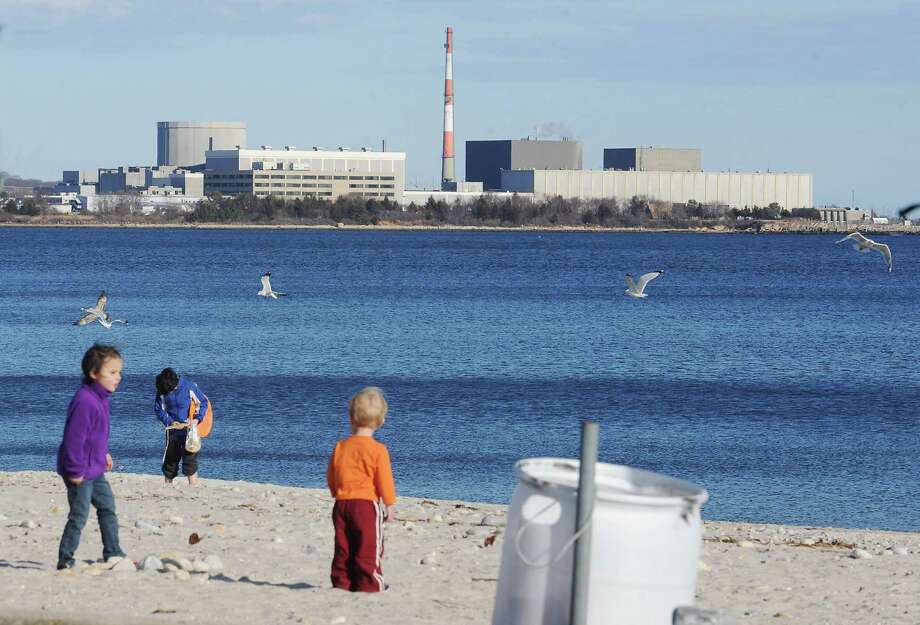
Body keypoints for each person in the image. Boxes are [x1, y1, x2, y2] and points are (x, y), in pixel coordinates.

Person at [56, 343, 127, 570]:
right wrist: (75, 471)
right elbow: (74, 440)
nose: (118, 377)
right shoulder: (85, 401)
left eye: (119, 372)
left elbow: (95, 435)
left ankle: (113, 552)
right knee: (79, 515)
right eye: (112, 372)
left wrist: (104, 453)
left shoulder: (101, 398)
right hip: (79, 471)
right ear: (94, 374)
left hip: (95, 467)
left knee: (107, 507)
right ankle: (65, 558)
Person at [326, 387, 397, 592]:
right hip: (366, 505)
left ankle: (342, 581)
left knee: (344, 545)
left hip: (341, 504)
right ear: (382, 421)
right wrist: (389, 503)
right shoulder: (378, 450)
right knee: (369, 545)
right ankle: (369, 582)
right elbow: (384, 479)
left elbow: (332, 473)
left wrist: (335, 491)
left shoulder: (341, 446)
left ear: (351, 418)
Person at [154, 367, 209, 486]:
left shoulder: (189, 387)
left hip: (189, 431)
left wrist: (196, 419)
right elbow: (159, 410)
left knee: (190, 461)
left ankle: (193, 487)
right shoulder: (162, 390)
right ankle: (168, 486)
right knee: (170, 462)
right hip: (172, 432)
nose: (168, 393)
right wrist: (170, 421)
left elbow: (203, 403)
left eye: (171, 390)